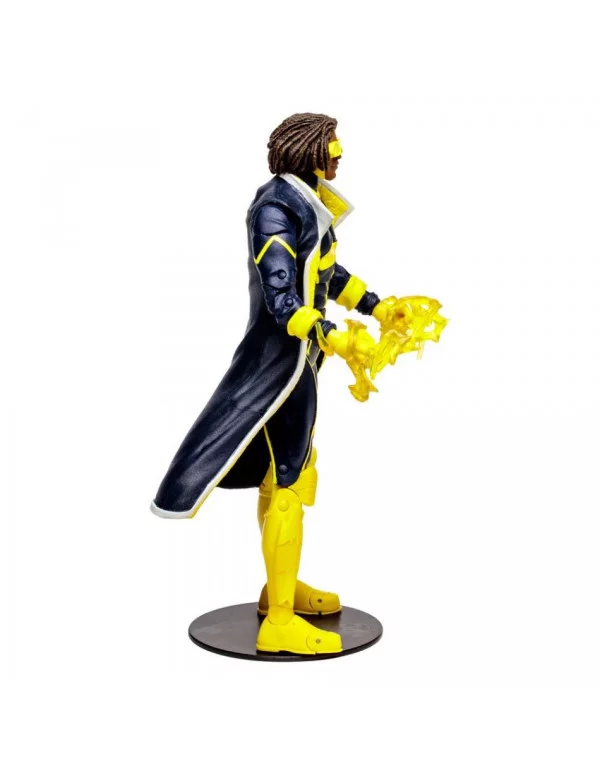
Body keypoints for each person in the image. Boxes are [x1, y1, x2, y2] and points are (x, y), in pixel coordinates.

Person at [152, 113, 391, 655]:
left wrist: (376, 306)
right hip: (279, 366)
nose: (340, 153)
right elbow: (283, 297)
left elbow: (324, 272)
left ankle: (278, 588)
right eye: (333, 145)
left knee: (285, 472)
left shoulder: (305, 201)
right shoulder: (275, 209)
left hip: (300, 363)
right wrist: (331, 334)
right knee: (289, 480)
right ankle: (280, 619)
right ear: (310, 150)